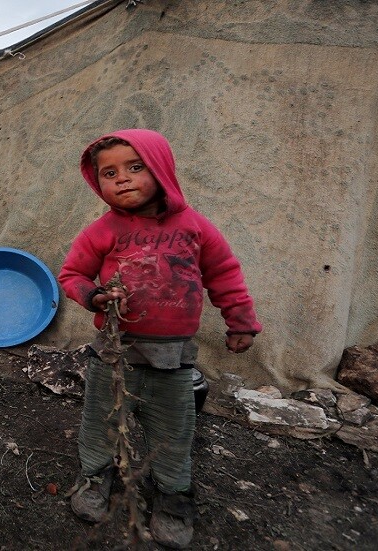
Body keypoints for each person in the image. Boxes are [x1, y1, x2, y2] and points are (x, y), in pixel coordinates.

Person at [57, 129, 261, 549]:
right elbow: (72, 275)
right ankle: (95, 478)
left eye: (135, 167)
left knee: (173, 432)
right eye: (109, 173)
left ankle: (172, 497)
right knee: (101, 424)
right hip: (114, 356)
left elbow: (224, 273)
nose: (122, 178)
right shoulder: (102, 230)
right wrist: (94, 296)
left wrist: (240, 321)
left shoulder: (195, 228)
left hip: (173, 360)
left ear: (161, 169)